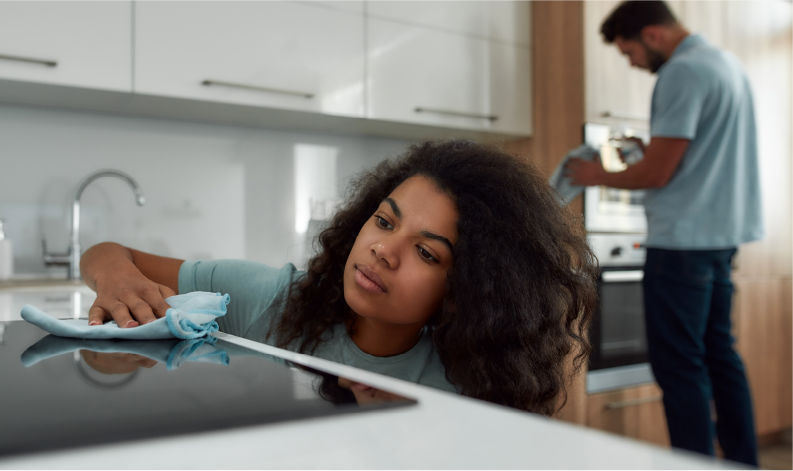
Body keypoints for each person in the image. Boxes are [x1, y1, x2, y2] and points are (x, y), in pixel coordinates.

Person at [80, 140, 599, 416]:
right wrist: (118, 283)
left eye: (425, 251)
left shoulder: (463, 390)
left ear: (466, 292)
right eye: (384, 220)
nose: (382, 250)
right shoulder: (275, 300)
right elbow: (109, 252)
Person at [566, 0, 762, 465]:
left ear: (652, 34)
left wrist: (596, 174)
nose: (633, 63)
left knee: (679, 366)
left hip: (681, 243)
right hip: (719, 239)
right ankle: (743, 460)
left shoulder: (681, 72)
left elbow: (657, 175)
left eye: (628, 51)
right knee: (720, 356)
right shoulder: (725, 64)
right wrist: (647, 150)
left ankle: (692, 463)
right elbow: (695, 155)